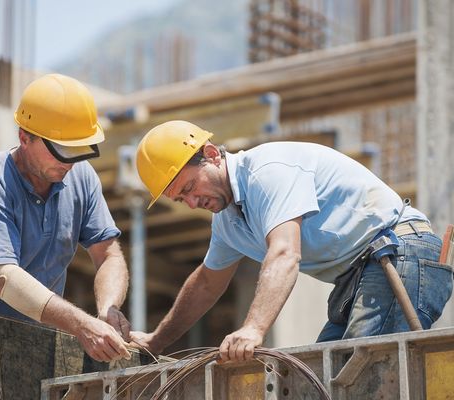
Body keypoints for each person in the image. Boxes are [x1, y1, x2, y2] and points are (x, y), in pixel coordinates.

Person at [130, 120, 453, 363]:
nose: (191, 202)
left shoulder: (267, 172)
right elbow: (205, 284)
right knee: (318, 377)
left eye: (189, 188)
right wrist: (156, 342)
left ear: (212, 155)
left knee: (360, 372)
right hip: (362, 274)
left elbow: (285, 253)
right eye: (180, 199)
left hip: (401, 253)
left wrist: (253, 329)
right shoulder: (228, 222)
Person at [0, 74, 131, 362]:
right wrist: (82, 325)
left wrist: (108, 310)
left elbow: (109, 256)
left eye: (78, 150)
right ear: (24, 137)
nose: (69, 161)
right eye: (61, 150)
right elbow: (3, 279)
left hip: (35, 348)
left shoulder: (82, 177)